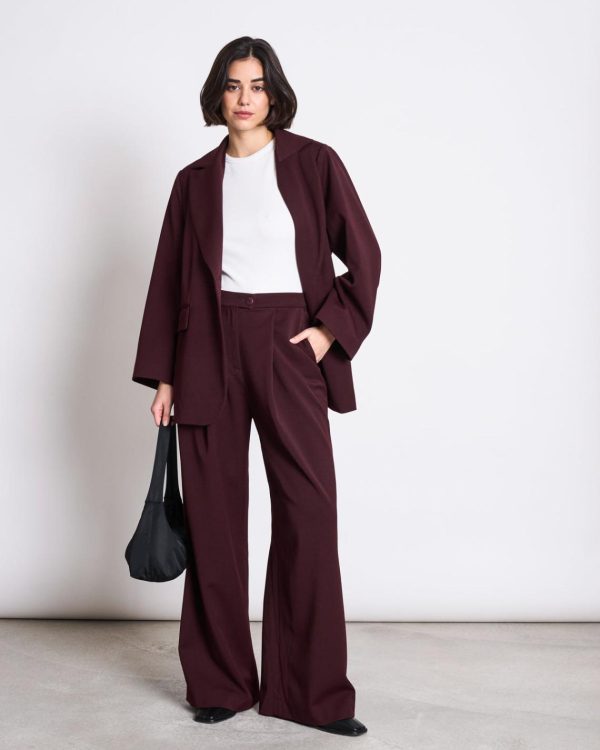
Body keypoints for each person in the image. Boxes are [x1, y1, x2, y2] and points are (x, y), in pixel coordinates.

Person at [132, 36, 381, 738]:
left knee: (308, 512)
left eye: (258, 85)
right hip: (207, 347)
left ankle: (312, 693)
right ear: (218, 93)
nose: (245, 98)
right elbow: (168, 279)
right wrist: (165, 375)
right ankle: (220, 683)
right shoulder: (193, 180)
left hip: (289, 342)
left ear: (275, 94)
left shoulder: (314, 162)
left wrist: (329, 331)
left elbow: (363, 253)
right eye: (234, 84)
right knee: (213, 519)